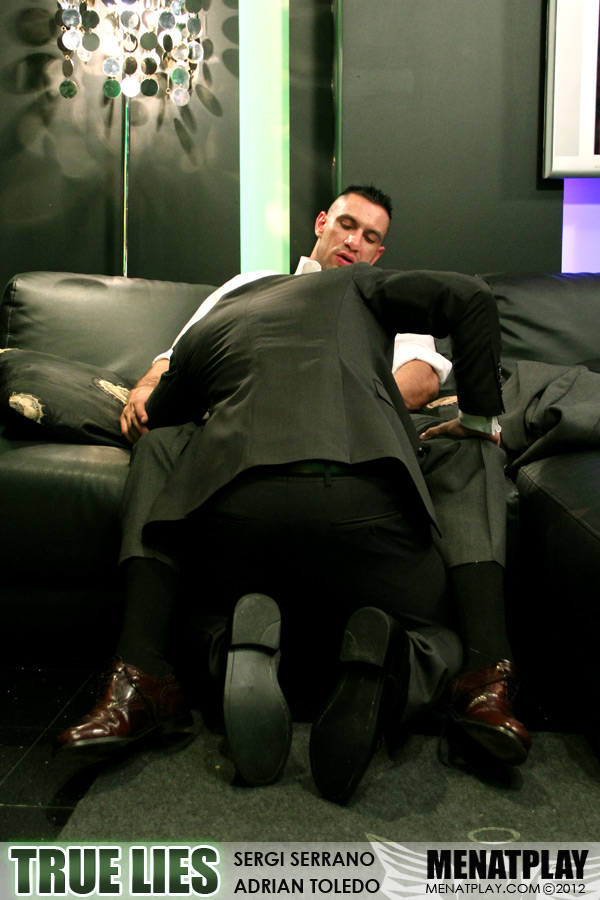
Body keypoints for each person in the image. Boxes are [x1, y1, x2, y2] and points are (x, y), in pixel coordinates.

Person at [56, 187, 530, 801]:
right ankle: (466, 676)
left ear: (379, 252)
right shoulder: (262, 284)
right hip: (363, 509)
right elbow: (166, 366)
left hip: (237, 509)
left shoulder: (282, 297)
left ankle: (162, 668)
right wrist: (478, 421)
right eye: (348, 225)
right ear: (322, 224)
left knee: (164, 451)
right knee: (473, 451)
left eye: (371, 237)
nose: (355, 242)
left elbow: (416, 378)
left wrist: (326, 385)